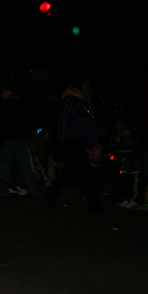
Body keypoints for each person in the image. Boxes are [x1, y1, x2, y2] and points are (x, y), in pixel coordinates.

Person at [42, 76, 103, 212]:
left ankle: (50, 194)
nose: (88, 85)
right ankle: (94, 204)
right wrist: (62, 139)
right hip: (74, 141)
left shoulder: (87, 101)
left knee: (69, 172)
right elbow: (64, 119)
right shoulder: (72, 99)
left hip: (82, 141)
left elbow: (92, 122)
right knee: (85, 173)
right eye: (86, 82)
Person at [0, 82, 43, 198]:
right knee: (25, 166)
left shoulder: (6, 105)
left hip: (11, 138)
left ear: (8, 92)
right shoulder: (24, 104)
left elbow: (1, 123)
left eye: (3, 92)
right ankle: (34, 191)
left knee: (3, 165)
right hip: (23, 138)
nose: (1, 95)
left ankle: (3, 190)